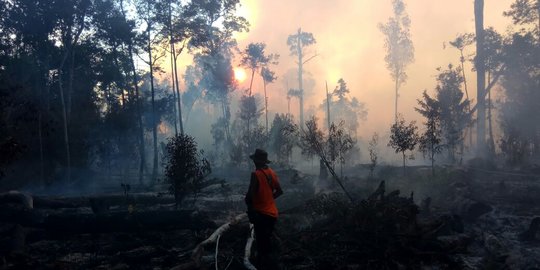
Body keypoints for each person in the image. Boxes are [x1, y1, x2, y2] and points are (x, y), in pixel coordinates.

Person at [245, 148, 283, 269]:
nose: (254, 162)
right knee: (267, 241)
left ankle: (264, 266)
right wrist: (268, 200)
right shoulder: (271, 173)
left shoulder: (256, 175)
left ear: (257, 161)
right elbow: (280, 191)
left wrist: (251, 211)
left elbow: (249, 197)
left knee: (262, 245)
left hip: (260, 215)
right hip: (272, 215)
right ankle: (270, 263)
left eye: (255, 160)